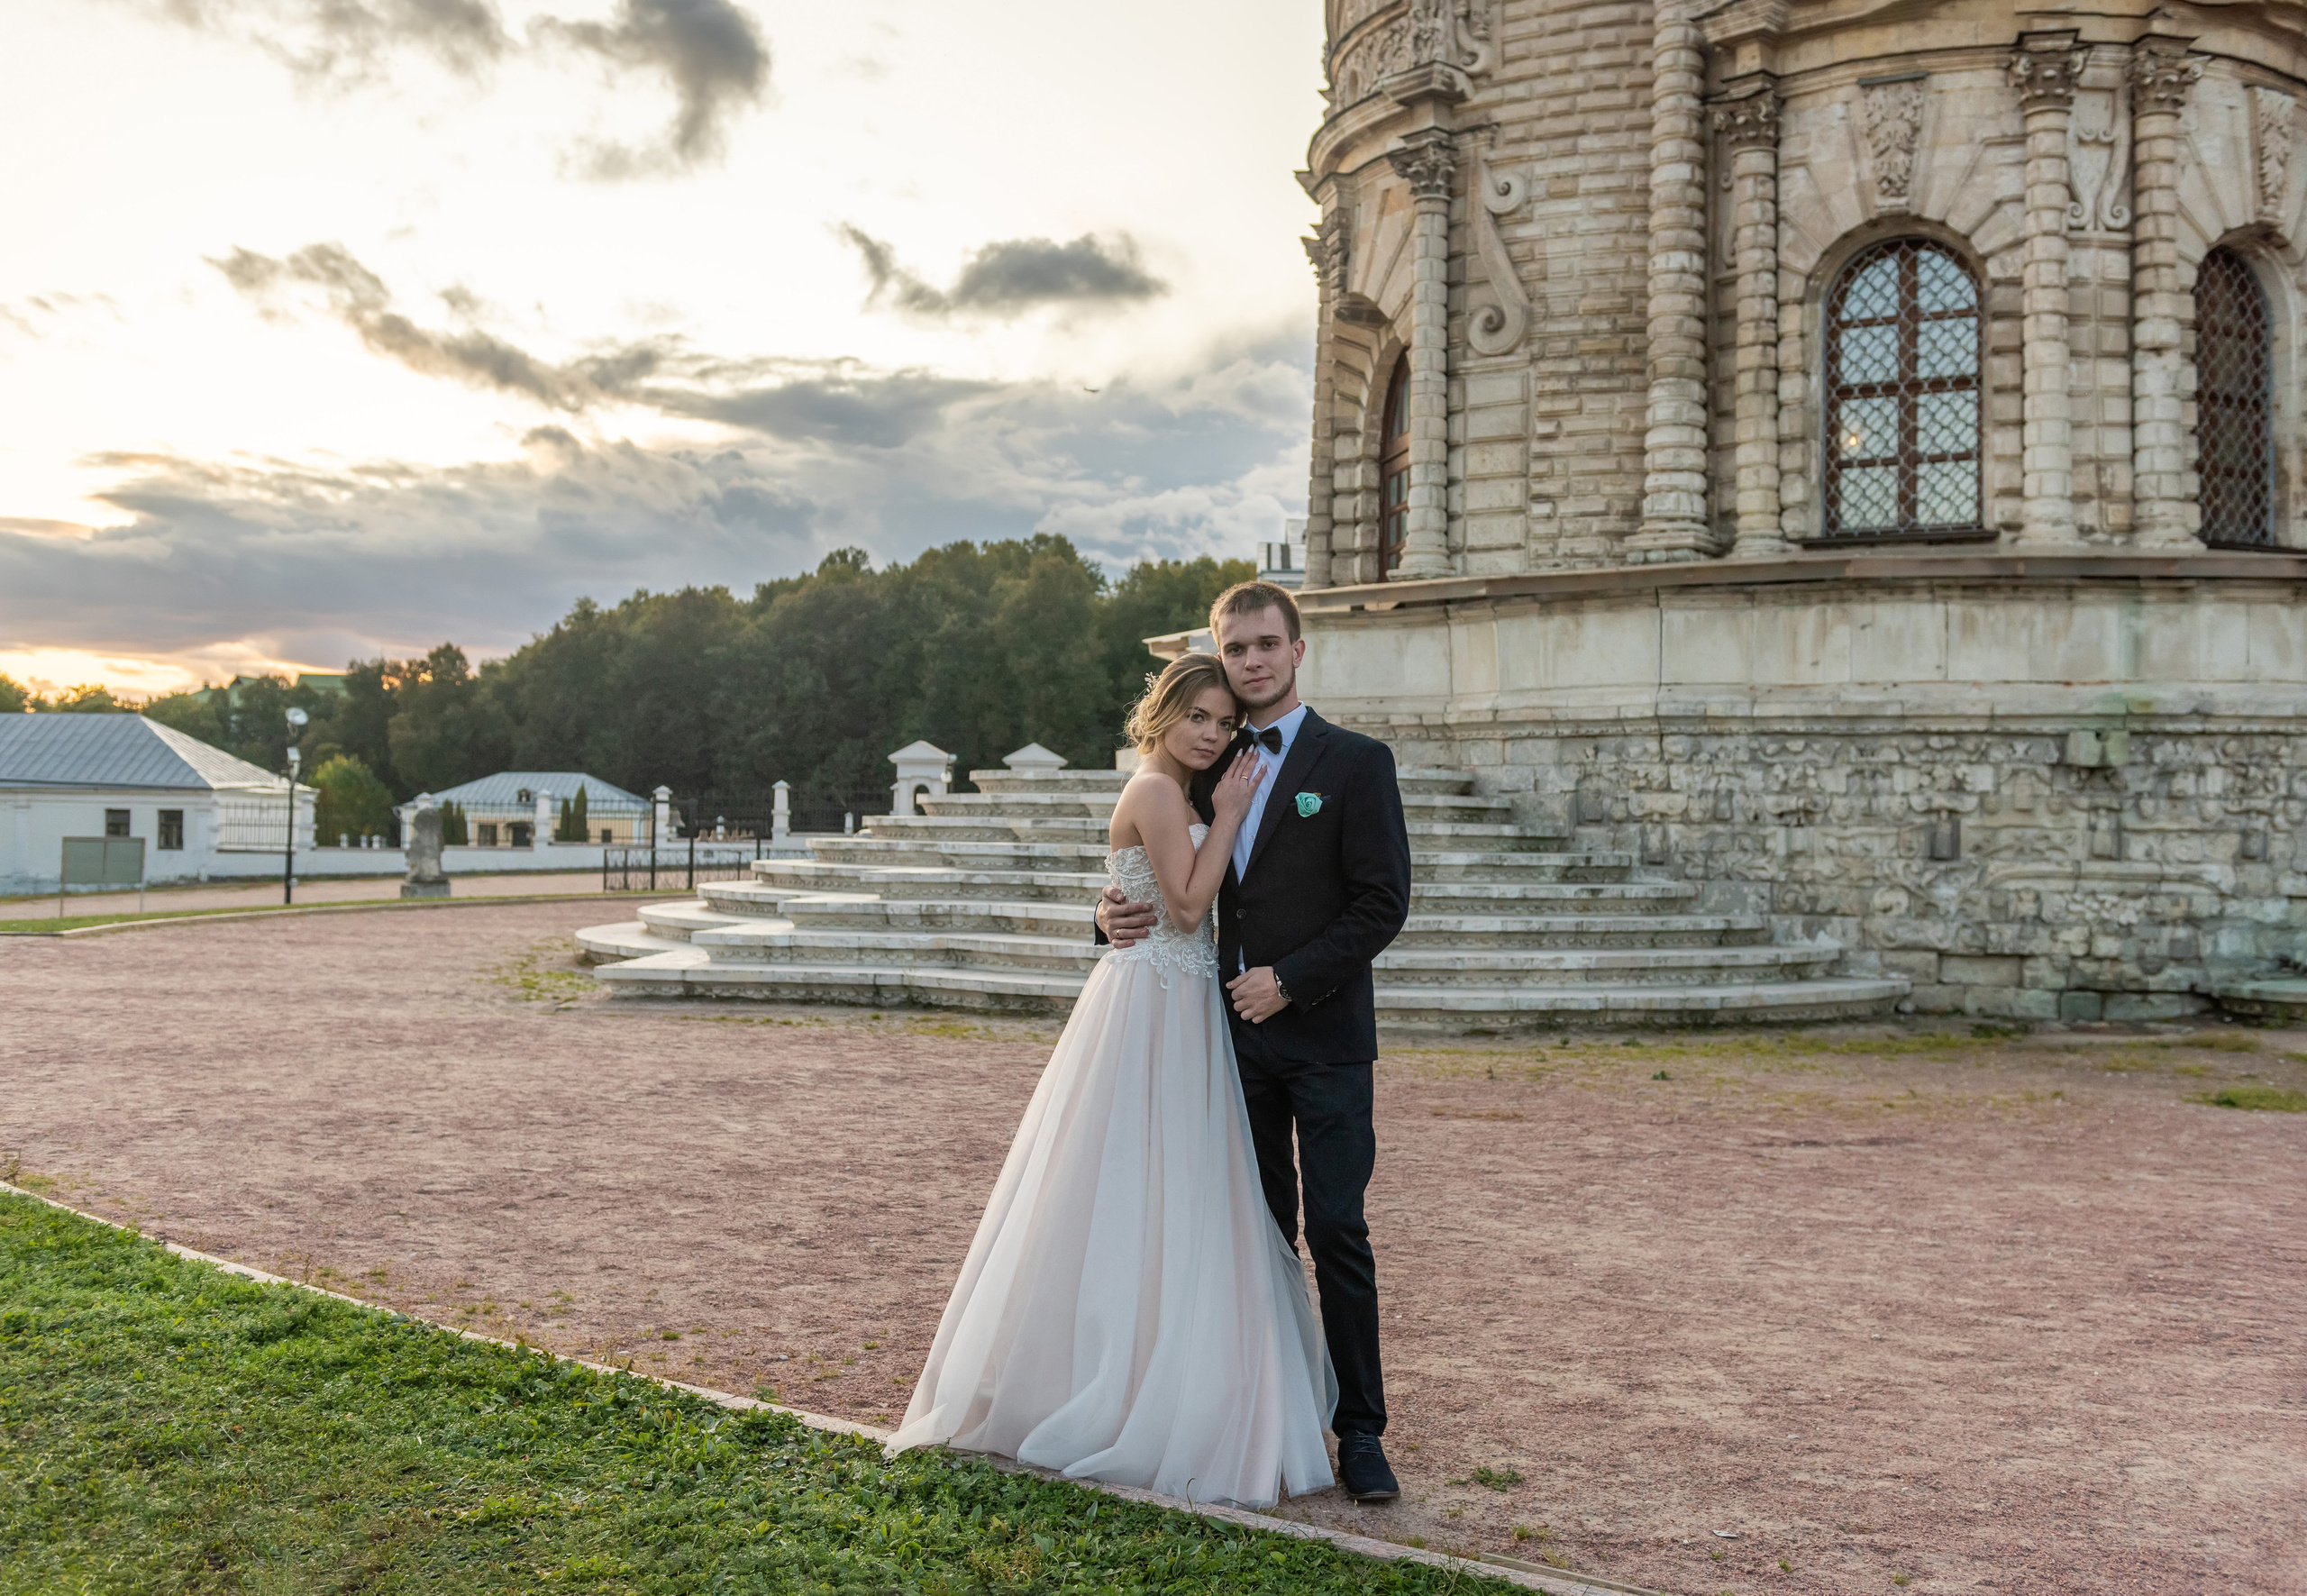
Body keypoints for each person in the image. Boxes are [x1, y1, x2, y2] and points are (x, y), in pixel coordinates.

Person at [888, 652, 1336, 1508]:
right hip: (1152, 1002)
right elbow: (1185, 908)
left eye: (1223, 722)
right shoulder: (1164, 792)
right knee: (1133, 1180)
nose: (1212, 734)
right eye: (1197, 716)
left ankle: (1166, 1371)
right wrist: (1235, 811)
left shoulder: (1182, 794)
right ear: (1162, 711)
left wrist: (1203, 831)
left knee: (1178, 1186)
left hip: (1183, 1000)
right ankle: (1108, 1382)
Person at [1096, 580, 1412, 1504]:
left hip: (1322, 1038)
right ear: (1219, 657)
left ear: (1298, 649)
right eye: (1238, 649)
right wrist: (1106, 915)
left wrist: (1293, 978)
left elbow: (1381, 903)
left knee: (1337, 1229)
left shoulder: (1355, 762)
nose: (1254, 661)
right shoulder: (1204, 762)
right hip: (1222, 1044)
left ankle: (1360, 1431)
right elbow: (1162, 873)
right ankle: (1264, 1408)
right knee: (1250, 1235)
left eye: (1268, 644)